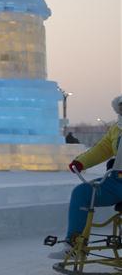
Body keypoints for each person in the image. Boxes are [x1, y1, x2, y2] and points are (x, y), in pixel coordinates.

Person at [49, 95, 122, 259]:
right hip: (115, 181)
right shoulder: (117, 128)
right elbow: (102, 149)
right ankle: (75, 246)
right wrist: (81, 162)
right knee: (82, 193)